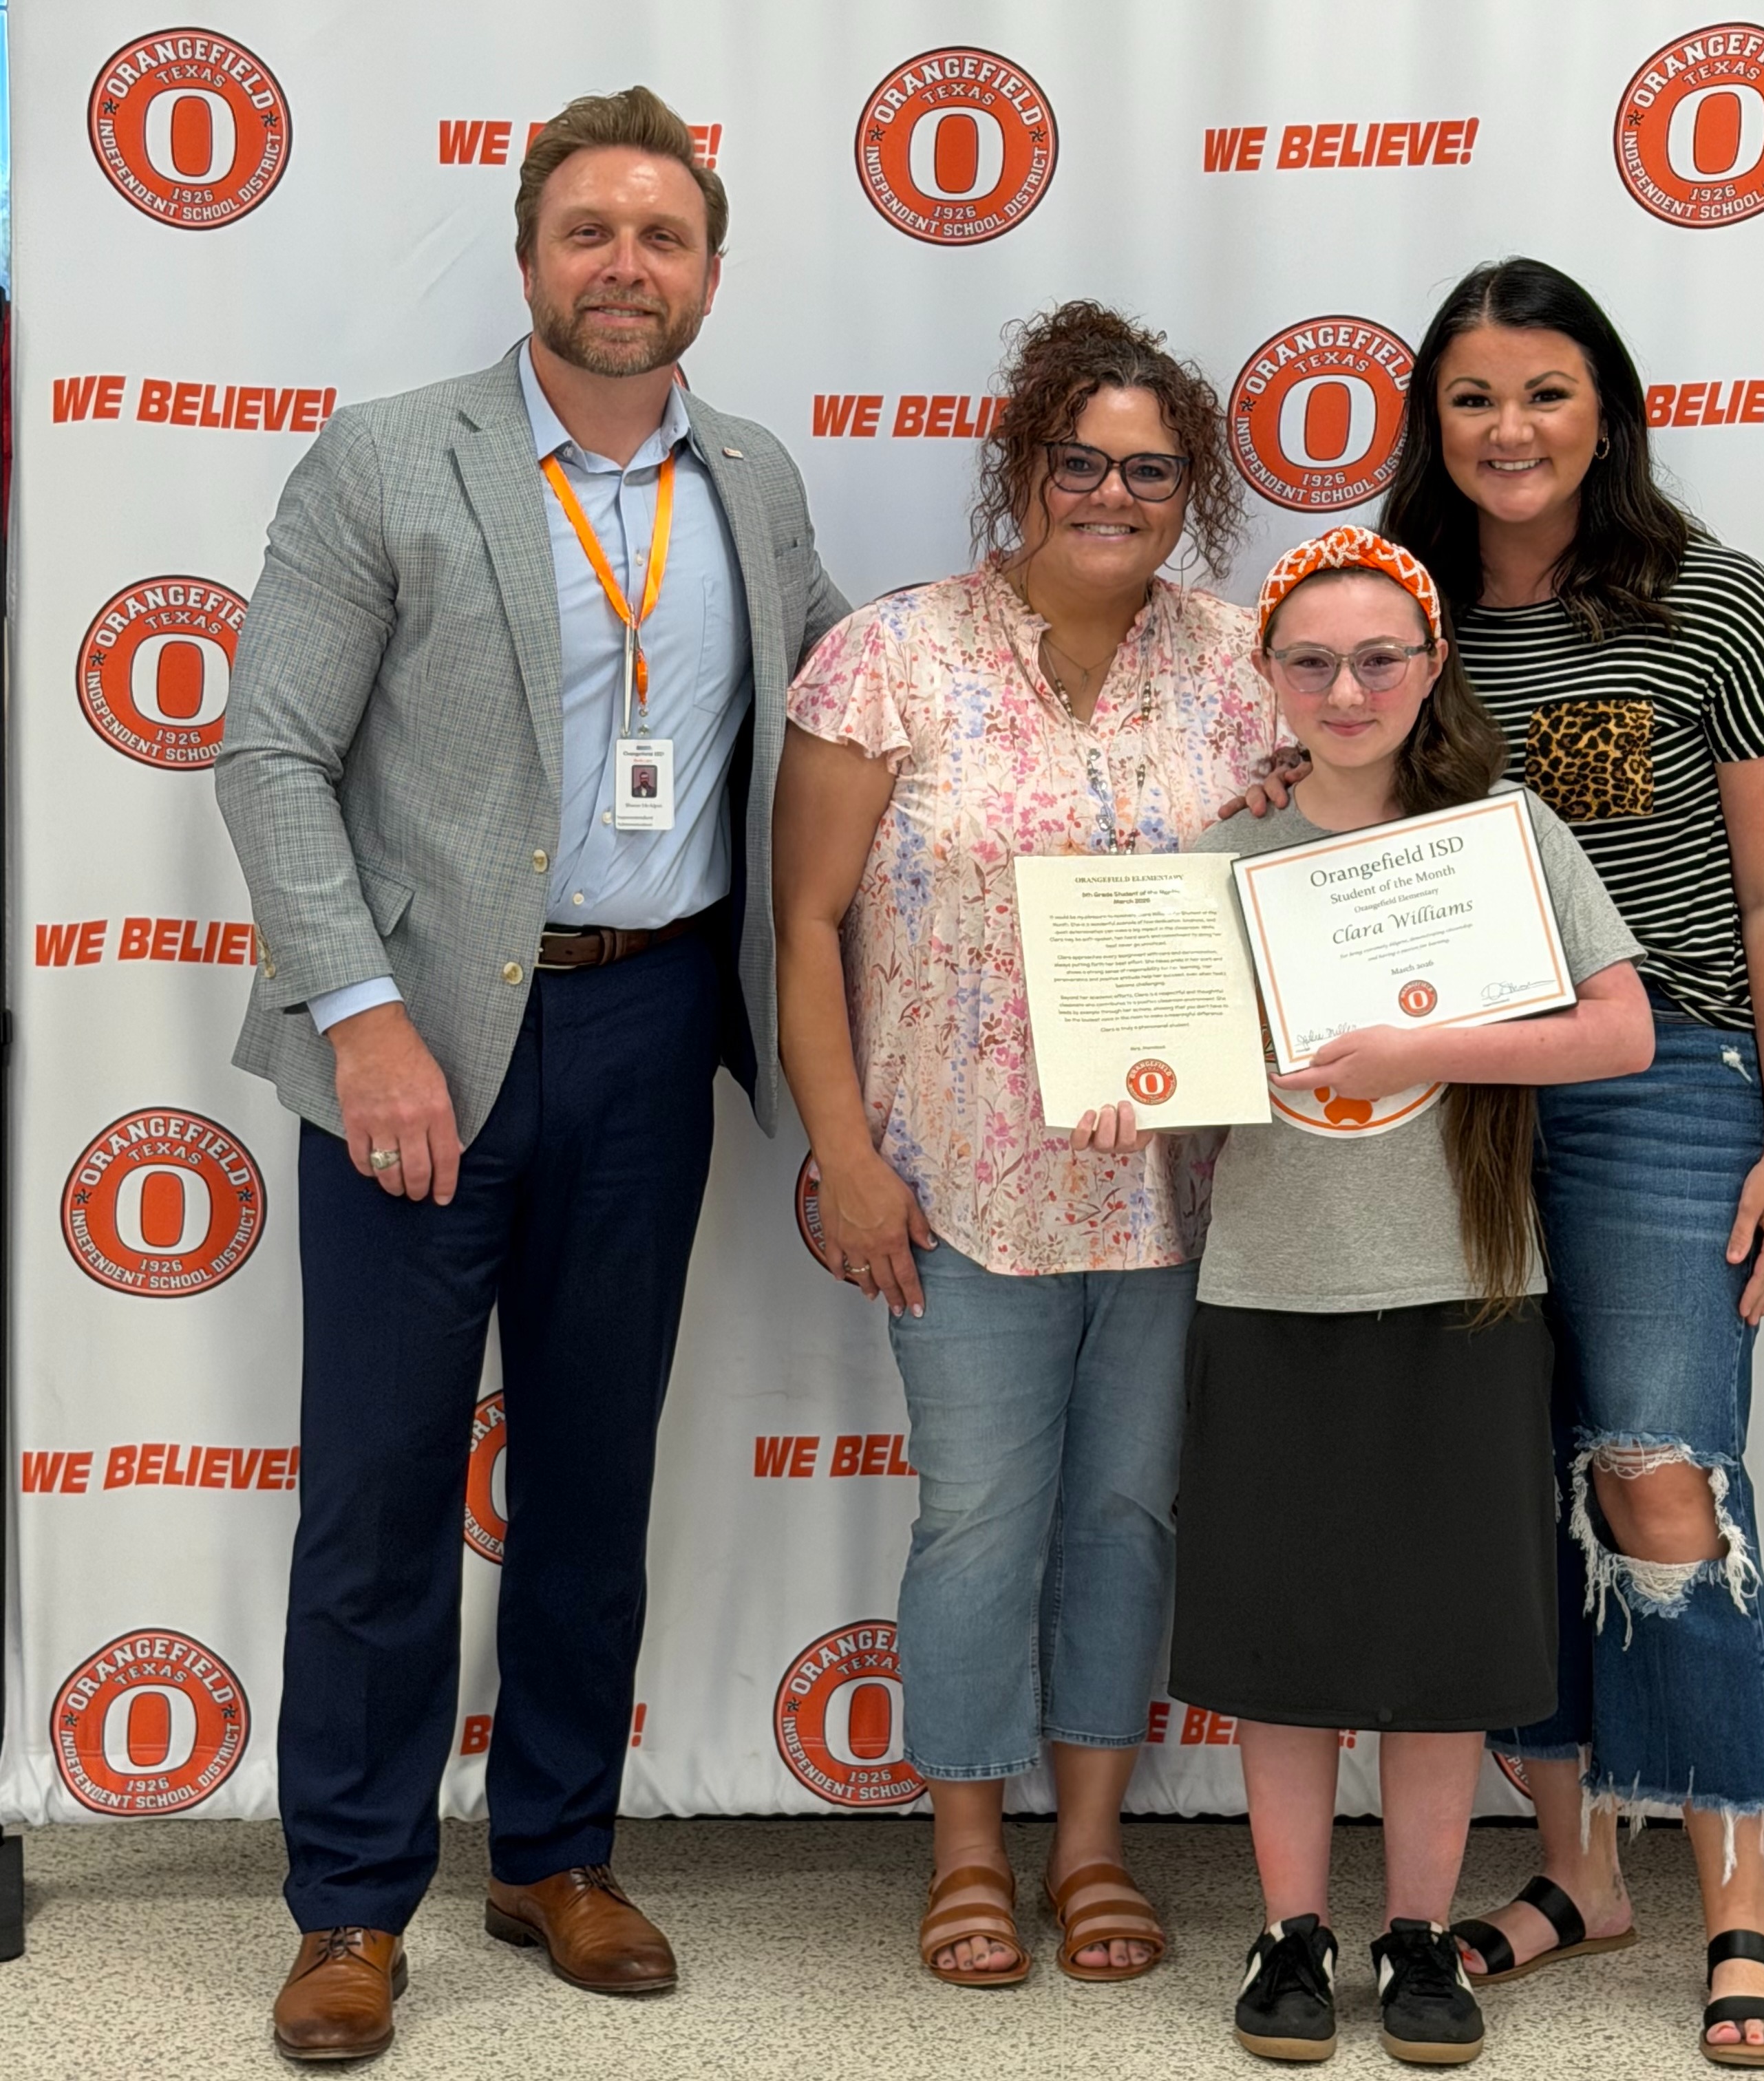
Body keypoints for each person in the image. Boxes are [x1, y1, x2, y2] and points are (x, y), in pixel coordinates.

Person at [215, 87, 847, 2061]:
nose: (625, 269)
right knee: (384, 1491)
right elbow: (268, 756)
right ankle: (348, 1903)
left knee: (590, 1473)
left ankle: (555, 1852)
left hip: (654, 1025)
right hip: (420, 1046)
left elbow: (843, 724)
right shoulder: (392, 458)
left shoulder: (752, 477)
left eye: (664, 238)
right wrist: (364, 1017)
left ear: (714, 273)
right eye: (590, 233)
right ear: (527, 259)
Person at [774, 303, 1275, 1987]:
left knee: (1130, 1515)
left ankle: (1093, 1843)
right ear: (1024, 465)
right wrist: (845, 1153)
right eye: (1083, 462)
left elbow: (1308, 881)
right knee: (979, 1518)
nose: (1113, 495)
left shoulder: (1241, 659)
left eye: (1150, 470)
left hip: (1181, 1189)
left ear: (1186, 489)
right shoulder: (887, 657)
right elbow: (807, 928)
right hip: (957, 1185)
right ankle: (968, 1842)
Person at [1379, 258, 1764, 2067]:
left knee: (1660, 1472)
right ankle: (1579, 1873)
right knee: (1501, 1500)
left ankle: (1743, 1901)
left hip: (1672, 1084)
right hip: (1457, 1102)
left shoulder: (1716, 603)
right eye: (1475, 397)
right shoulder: (1398, 611)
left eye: (1547, 394)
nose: (1510, 431)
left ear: (1608, 410)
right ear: (1434, 418)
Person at [1178, 527, 1650, 2066]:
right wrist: (1130, 1086)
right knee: (1288, 1641)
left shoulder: (1500, 838)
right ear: (1268, 678)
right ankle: (1292, 1934)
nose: (1347, 684)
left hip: (1465, 1286)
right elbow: (1178, 1072)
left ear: (1434, 665)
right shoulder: (1222, 855)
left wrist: (1418, 1051)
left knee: (1443, 1648)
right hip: (1273, 1286)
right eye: (1310, 659)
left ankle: (1418, 1936)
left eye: (1382, 654)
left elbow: (1619, 1032)